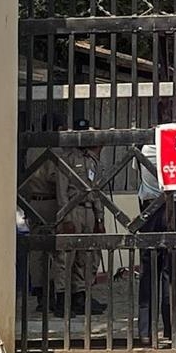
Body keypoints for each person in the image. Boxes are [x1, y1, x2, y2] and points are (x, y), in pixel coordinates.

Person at [135, 125, 176, 347]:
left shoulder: (144, 148)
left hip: (149, 210)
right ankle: (171, 330)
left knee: (148, 273)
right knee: (173, 274)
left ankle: (146, 331)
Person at [53, 118, 108, 316]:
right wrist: (65, 217)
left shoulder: (91, 160)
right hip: (73, 209)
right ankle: (61, 298)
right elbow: (61, 191)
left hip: (89, 210)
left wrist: (99, 218)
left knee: (86, 255)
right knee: (66, 255)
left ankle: (80, 295)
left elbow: (97, 191)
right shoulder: (66, 159)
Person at [24, 113, 65, 312]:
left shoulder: (32, 148)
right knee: (57, 250)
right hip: (51, 202)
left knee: (37, 251)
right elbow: (54, 178)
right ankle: (57, 295)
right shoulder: (55, 149)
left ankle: (40, 293)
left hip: (33, 201)